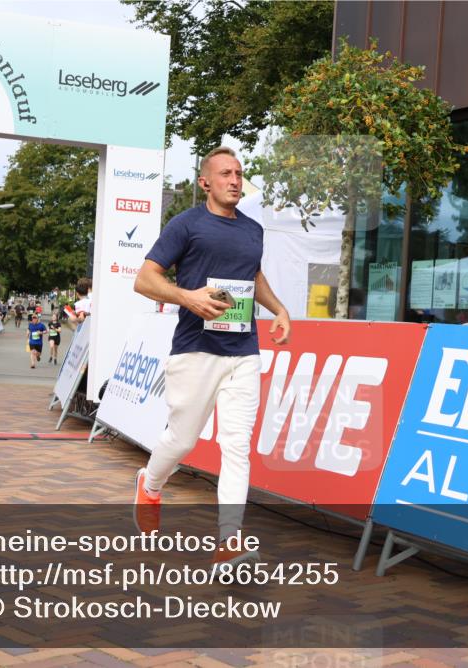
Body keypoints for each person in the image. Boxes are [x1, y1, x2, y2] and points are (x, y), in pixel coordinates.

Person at [132, 146, 292, 566]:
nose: (235, 180)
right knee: (182, 440)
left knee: (237, 446)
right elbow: (145, 279)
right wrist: (188, 298)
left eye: (239, 173)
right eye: (225, 174)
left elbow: (252, 274)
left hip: (243, 351)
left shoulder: (254, 230)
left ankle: (229, 541)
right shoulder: (186, 225)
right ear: (206, 182)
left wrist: (279, 309)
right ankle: (149, 485)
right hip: (195, 349)